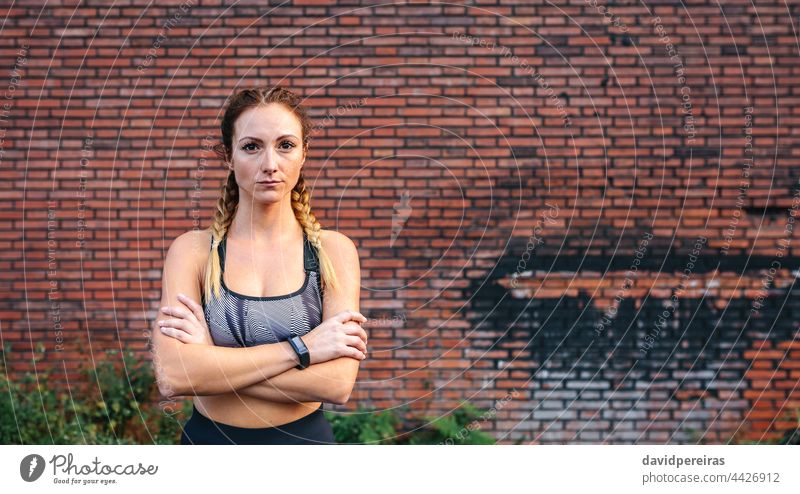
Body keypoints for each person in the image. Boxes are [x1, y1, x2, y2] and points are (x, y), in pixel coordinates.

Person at [150, 86, 368, 444]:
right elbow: (175, 375)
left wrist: (213, 363)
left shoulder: (332, 251)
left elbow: (336, 384)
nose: (270, 164)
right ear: (229, 157)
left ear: (303, 154)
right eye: (252, 146)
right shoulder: (192, 252)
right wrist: (303, 349)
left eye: (285, 145)